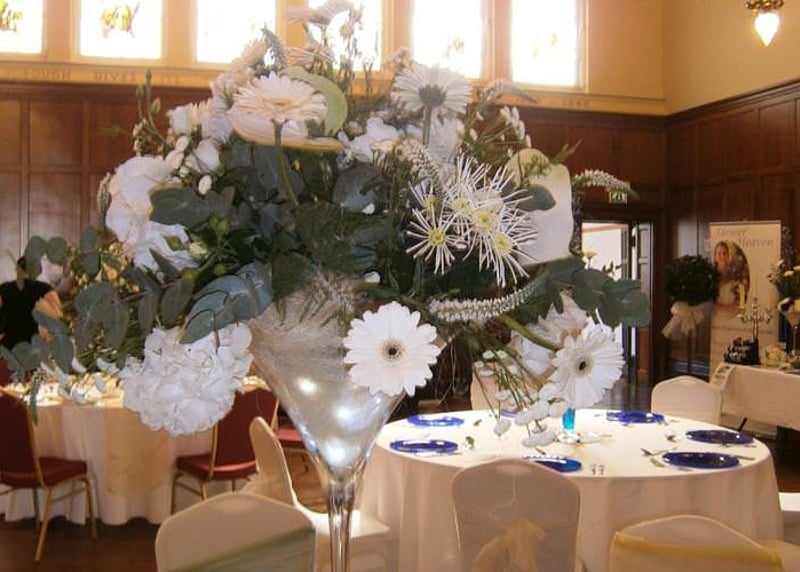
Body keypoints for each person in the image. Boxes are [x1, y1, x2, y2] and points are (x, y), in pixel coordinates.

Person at [0, 257, 62, 351]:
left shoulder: (4, 288)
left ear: (17, 269)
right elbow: (57, 315)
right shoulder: (44, 289)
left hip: (8, 345)